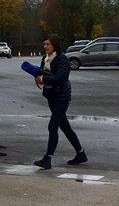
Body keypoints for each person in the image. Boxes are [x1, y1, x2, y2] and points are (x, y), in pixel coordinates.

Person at [33, 34, 87, 169]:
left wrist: (43, 79)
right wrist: (36, 75)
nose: (45, 46)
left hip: (62, 96)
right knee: (65, 127)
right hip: (51, 96)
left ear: (54, 45)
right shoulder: (45, 59)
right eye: (44, 44)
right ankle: (81, 154)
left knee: (53, 126)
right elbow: (42, 73)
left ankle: (47, 159)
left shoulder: (62, 59)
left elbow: (60, 78)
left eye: (48, 44)